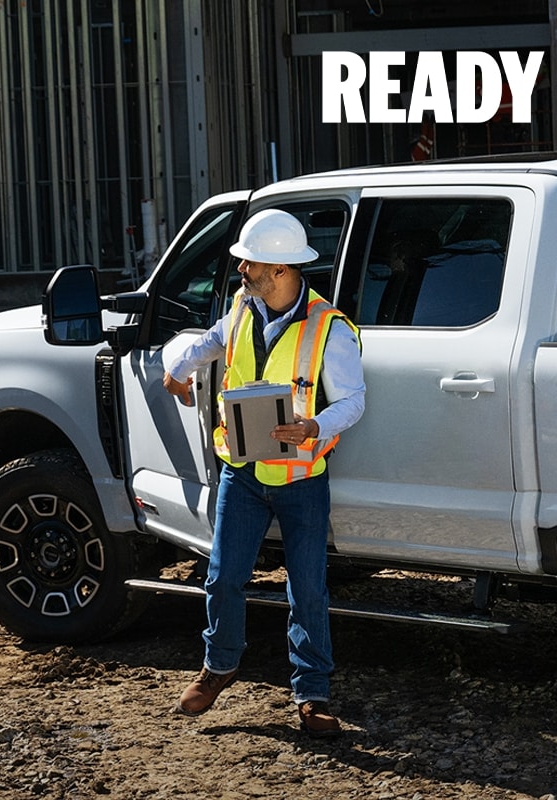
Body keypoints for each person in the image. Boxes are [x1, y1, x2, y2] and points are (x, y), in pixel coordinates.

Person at [155, 209, 365, 734]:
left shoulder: (329, 330)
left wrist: (313, 427)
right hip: (242, 474)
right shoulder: (243, 308)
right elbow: (209, 342)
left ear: (279, 269)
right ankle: (219, 666)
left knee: (308, 589)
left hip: (301, 478)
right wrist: (176, 371)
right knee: (224, 577)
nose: (242, 269)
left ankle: (312, 695)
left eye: (249, 262)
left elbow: (354, 401)